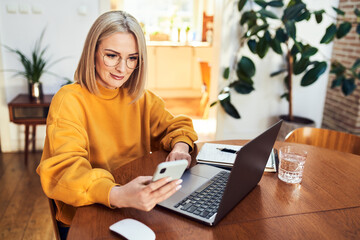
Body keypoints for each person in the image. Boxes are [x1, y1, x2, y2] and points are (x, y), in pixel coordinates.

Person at [36, 10, 198, 234]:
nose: (123, 69)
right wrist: (118, 194)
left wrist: (181, 147)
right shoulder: (69, 100)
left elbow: (178, 126)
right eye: (111, 56)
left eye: (132, 58)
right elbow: (66, 172)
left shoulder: (140, 98)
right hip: (87, 214)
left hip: (136, 206)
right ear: (92, 53)